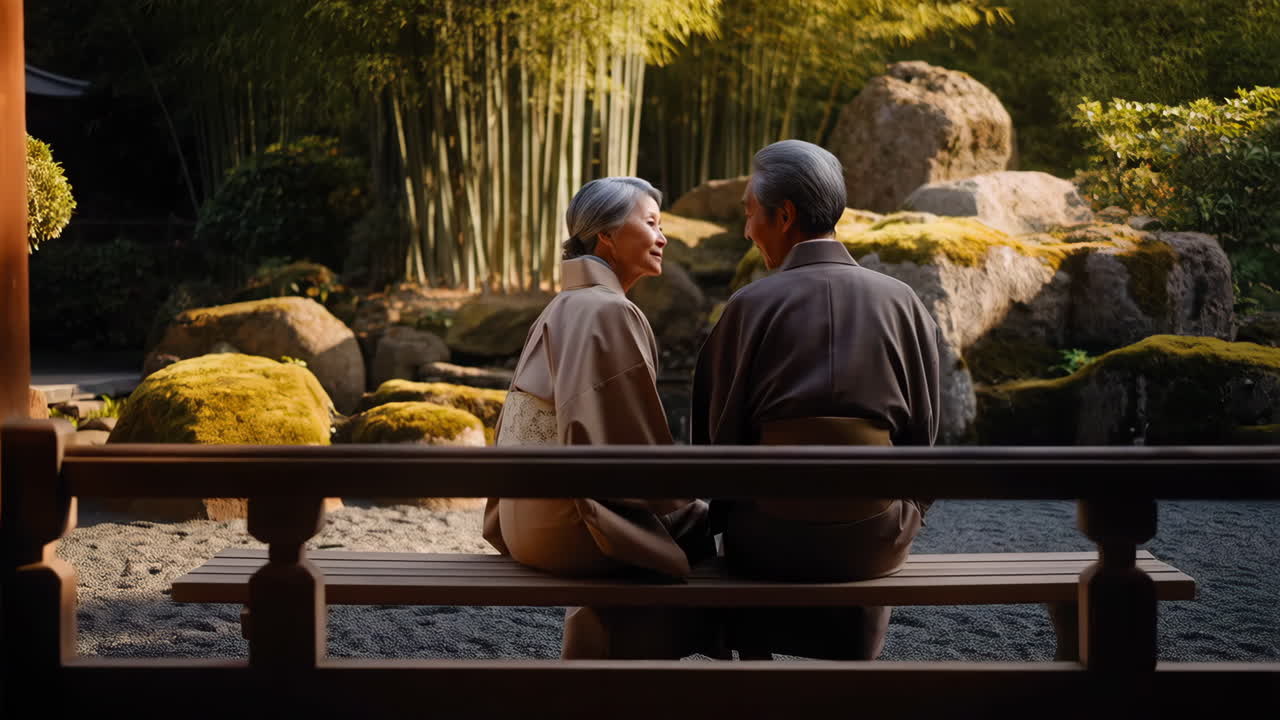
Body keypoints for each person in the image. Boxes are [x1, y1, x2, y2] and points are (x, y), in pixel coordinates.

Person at [691, 140, 942, 660]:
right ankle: (855, 666)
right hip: (875, 539)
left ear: (784, 216)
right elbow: (925, 434)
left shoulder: (748, 306)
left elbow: (715, 441)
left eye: (749, 213)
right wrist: (904, 509)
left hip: (766, 540)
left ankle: (755, 667)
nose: (745, 229)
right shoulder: (903, 303)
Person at [484, 176, 713, 659]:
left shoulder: (561, 305)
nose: (663, 237)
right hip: (570, 531)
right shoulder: (609, 312)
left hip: (524, 524)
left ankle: (593, 673)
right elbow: (632, 453)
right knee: (709, 542)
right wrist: (696, 513)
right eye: (651, 223)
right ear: (606, 235)